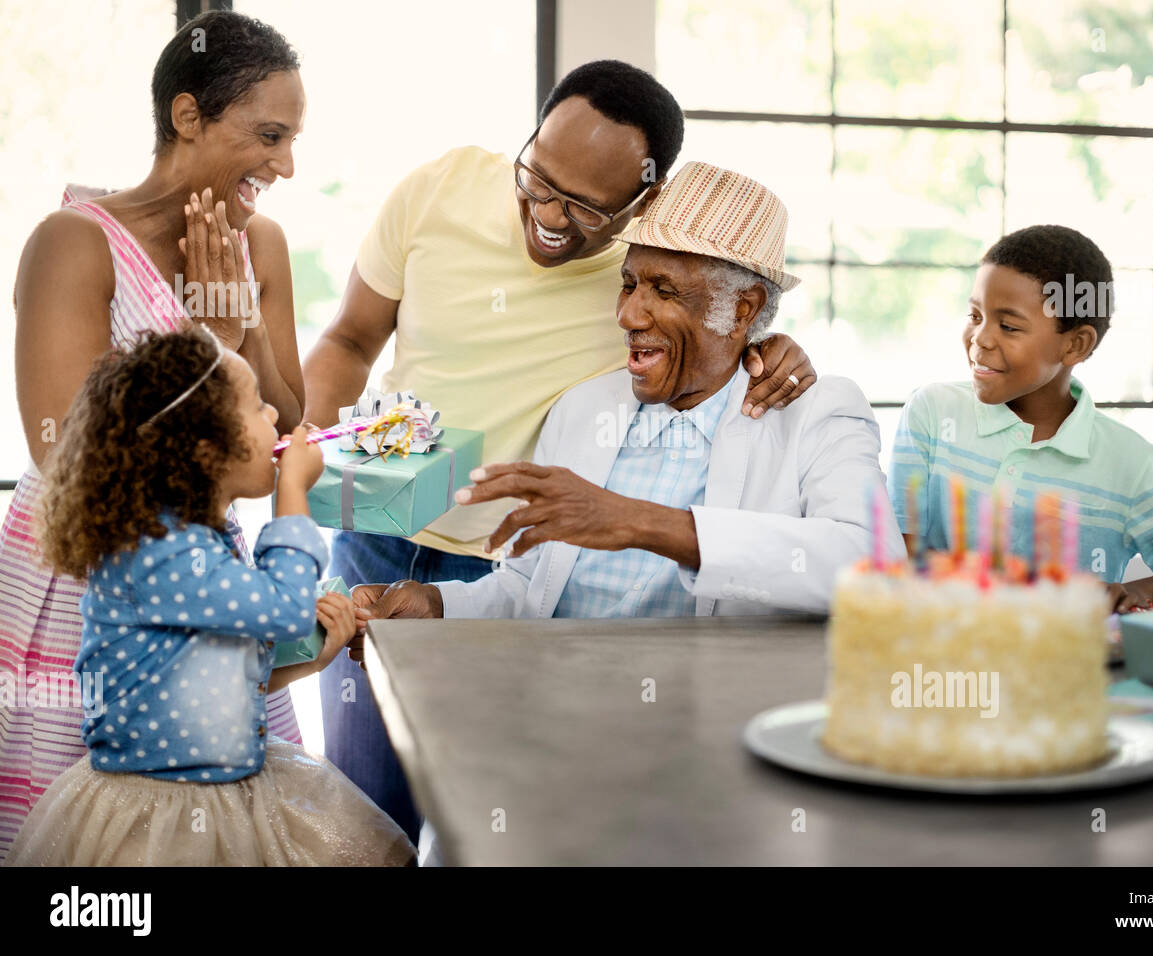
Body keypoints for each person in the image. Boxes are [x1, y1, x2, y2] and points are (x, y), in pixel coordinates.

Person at [302, 61, 820, 841]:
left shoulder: (643, 273)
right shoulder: (438, 189)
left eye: (582, 206)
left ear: (644, 203)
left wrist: (773, 344)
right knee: (362, 814)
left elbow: (715, 319)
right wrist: (316, 467)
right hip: (372, 539)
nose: (545, 212)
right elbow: (347, 338)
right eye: (536, 177)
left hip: (506, 569)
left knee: (486, 814)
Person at [0, 10, 310, 861]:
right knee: (94, 840)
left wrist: (237, 333)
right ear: (186, 117)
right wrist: (211, 342)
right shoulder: (74, 242)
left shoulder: (263, 247)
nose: (286, 164)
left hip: (212, 569)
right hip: (84, 569)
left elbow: (285, 421)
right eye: (270, 135)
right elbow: (67, 454)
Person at [351, 162, 903, 625]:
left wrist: (639, 521)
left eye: (664, 291)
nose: (627, 314)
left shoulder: (817, 413)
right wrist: (439, 602)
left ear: (743, 310)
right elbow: (529, 590)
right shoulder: (584, 408)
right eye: (629, 283)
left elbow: (874, 573)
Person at [5, 328, 413, 866]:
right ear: (205, 449)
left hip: (227, 788)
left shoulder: (201, 539)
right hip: (159, 823)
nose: (275, 417)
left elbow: (218, 676)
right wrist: (293, 492)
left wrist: (312, 660)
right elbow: (285, 610)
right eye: (258, 406)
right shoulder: (159, 552)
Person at [888, 224, 1153, 609]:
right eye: (975, 314)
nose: (980, 338)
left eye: (1009, 326)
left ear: (1075, 345)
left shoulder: (1130, 463)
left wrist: (1140, 591)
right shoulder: (932, 413)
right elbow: (898, 561)